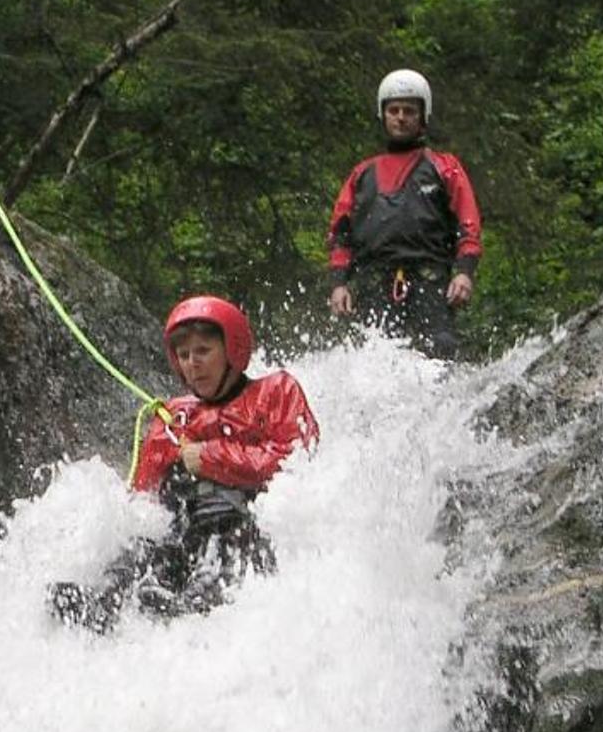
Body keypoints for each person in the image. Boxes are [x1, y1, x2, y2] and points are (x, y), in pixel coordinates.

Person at [50, 296, 318, 630]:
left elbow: (297, 461)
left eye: (203, 351)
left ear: (232, 351)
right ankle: (103, 601)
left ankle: (189, 608)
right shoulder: (174, 417)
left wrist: (210, 457)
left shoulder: (276, 392)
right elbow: (141, 498)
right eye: (185, 355)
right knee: (142, 552)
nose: (193, 363)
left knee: (221, 553)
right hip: (185, 534)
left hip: (244, 529)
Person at [326, 67, 482, 358]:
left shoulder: (444, 167)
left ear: (422, 116)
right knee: (375, 360)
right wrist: (338, 285)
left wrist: (464, 273)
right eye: (394, 110)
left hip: (429, 281)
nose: (400, 117)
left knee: (440, 351)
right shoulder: (362, 174)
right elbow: (340, 235)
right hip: (374, 284)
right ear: (383, 115)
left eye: (409, 111)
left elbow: (468, 224)